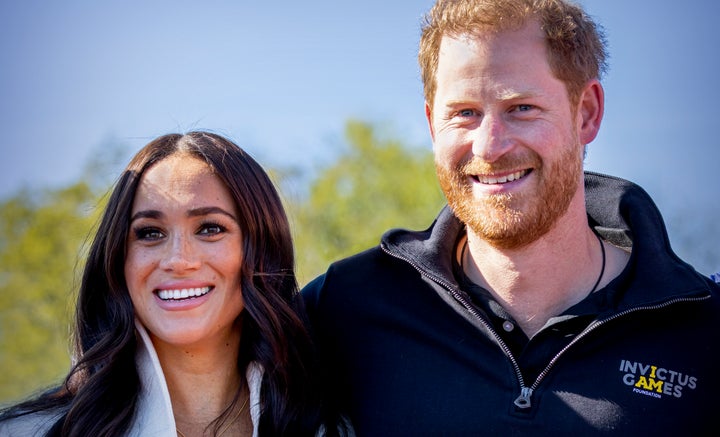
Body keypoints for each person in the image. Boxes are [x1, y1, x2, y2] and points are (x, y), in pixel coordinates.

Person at [302, 0, 720, 435]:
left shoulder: (703, 331)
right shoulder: (342, 307)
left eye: (521, 108)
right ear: (431, 124)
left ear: (587, 113)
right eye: (464, 113)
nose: (489, 146)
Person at [0, 132, 346, 436]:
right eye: (150, 233)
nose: (178, 260)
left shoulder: (333, 429)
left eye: (210, 228)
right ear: (119, 259)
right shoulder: (25, 433)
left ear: (262, 252)